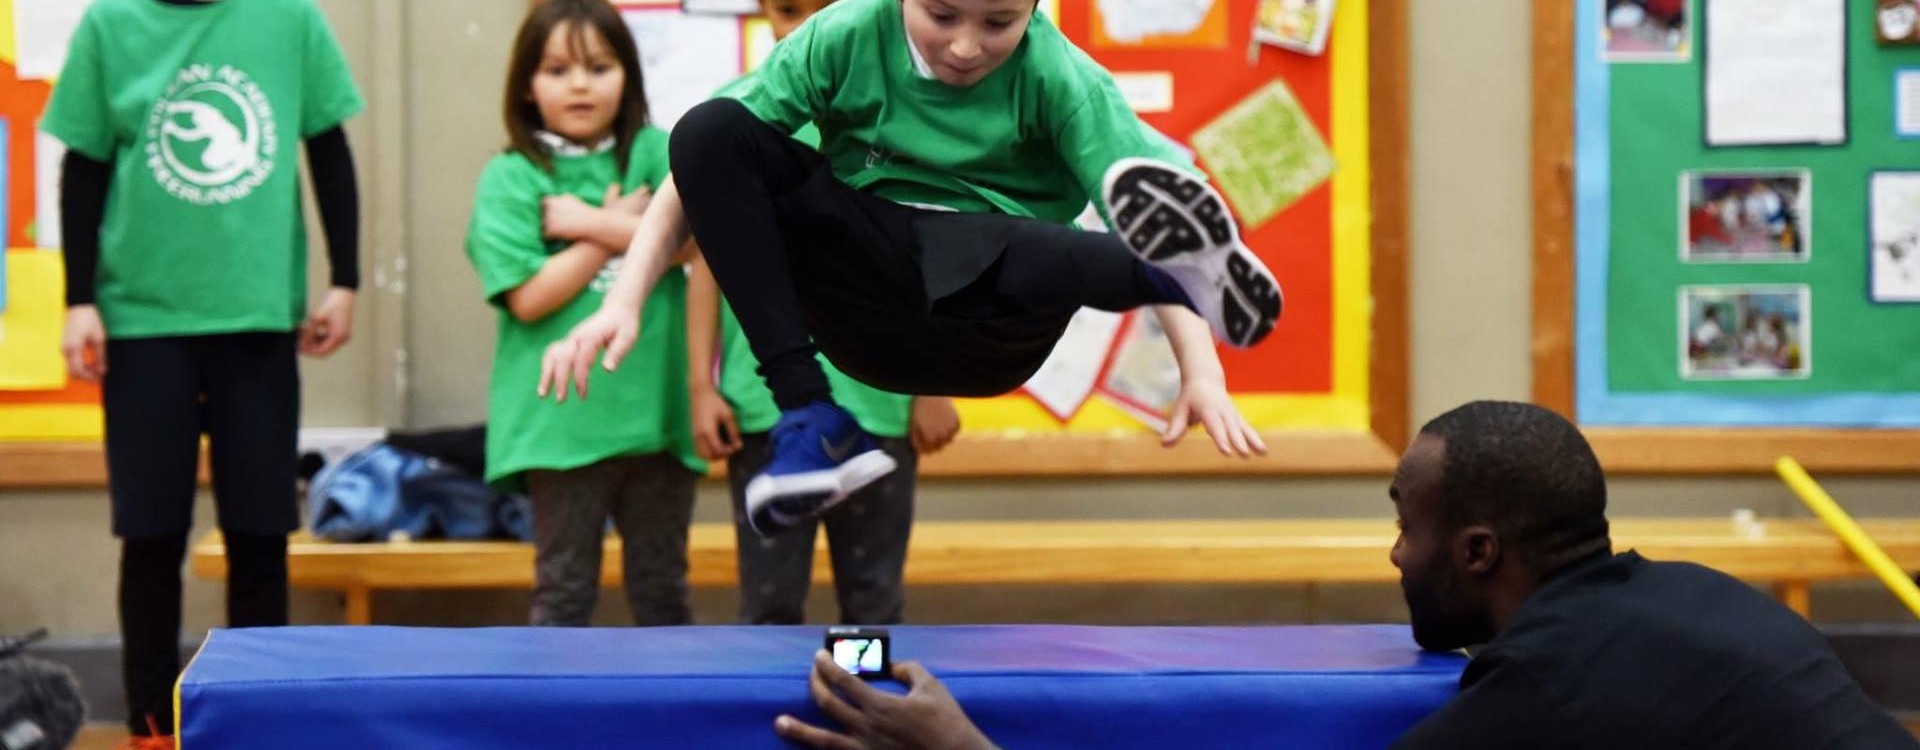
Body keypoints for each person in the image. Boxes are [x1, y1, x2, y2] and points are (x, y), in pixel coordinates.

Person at [539, 0, 1282, 536]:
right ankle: (810, 419)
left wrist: (1203, 369)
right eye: (941, 14)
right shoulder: (842, 37)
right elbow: (692, 176)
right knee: (709, 131)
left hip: (992, 324)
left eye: (999, 22)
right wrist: (625, 298)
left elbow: (1156, 208)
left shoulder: (1061, 79)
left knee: (1042, 241)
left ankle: (1172, 280)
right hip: (863, 299)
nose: (966, 46)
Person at [773, 402, 1914, 750]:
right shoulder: (1692, 597)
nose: (1392, 555)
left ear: (1477, 552)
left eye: (1405, 527)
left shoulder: (1550, 690)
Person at [42, 0, 365, 746]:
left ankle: (258, 715)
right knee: (151, 535)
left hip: (258, 316)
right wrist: (78, 302)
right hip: (143, 322)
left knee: (262, 529)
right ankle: (150, 717)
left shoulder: (288, 14)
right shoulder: (111, 24)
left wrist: (342, 278)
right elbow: (85, 169)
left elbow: (328, 152)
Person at [686, 0, 959, 626]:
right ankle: (777, 729)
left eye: (829, 4)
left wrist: (932, 385)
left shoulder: (899, 116)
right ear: (760, 4)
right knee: (770, 600)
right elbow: (708, 260)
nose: (805, 26)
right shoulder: (737, 114)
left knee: (870, 602)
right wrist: (699, 386)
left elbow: (929, 247)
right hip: (766, 409)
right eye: (785, 7)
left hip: (882, 402)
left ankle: (863, 720)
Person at [466, 0, 704, 628]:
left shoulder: (656, 151)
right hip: (559, 426)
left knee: (663, 594)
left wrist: (586, 220)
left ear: (627, 77)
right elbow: (530, 295)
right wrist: (621, 224)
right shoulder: (512, 176)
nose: (580, 86)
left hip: (658, 420)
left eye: (598, 68)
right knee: (564, 595)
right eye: (557, 70)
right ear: (526, 86)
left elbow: (697, 247)